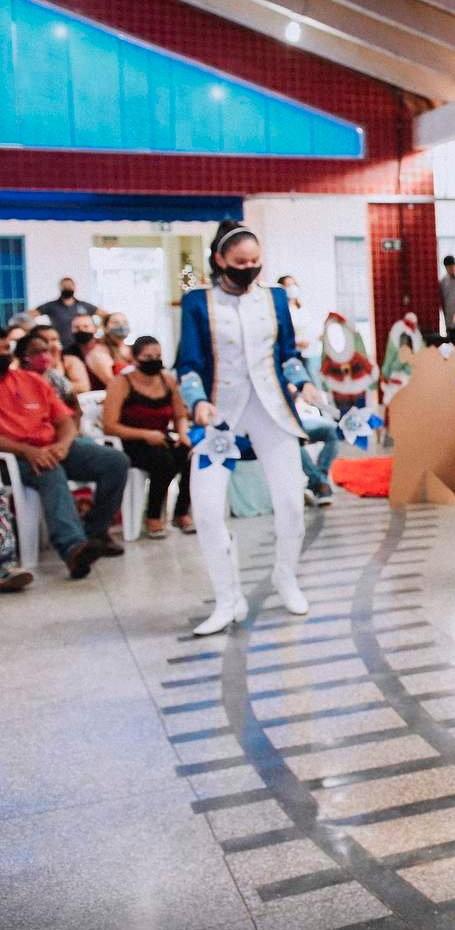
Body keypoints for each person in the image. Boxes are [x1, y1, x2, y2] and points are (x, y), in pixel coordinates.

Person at [176, 220, 317, 637]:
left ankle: (285, 576)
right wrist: (197, 401)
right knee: (205, 507)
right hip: (219, 413)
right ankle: (227, 598)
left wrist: (304, 382)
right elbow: (187, 362)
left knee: (291, 502)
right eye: (240, 262)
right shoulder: (198, 302)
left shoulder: (275, 298)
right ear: (220, 260)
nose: (249, 268)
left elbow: (288, 354)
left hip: (272, 409)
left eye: (255, 261)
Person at [0, 328, 128, 578]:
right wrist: (28, 451)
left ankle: (94, 532)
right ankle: (73, 548)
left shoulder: (31, 380)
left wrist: (63, 444)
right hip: (14, 457)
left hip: (54, 446)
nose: (5, 354)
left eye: (6, 348)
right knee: (50, 469)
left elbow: (65, 421)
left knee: (115, 461)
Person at [102, 336, 193, 537]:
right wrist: (144, 434)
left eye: (157, 356)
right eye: (148, 357)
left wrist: (183, 434)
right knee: (164, 461)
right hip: (130, 441)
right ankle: (152, 516)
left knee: (189, 455)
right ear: (135, 359)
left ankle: (181, 512)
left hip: (160, 437)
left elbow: (180, 415)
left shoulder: (167, 381)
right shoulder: (121, 383)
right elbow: (109, 426)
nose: (154, 361)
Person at [35, 277, 98, 351]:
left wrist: (98, 328)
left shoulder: (85, 305)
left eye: (69, 285)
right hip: (60, 347)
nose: (67, 287)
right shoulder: (51, 306)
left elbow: (106, 316)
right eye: (64, 286)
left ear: (74, 287)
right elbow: (28, 316)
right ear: (60, 287)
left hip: (83, 347)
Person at [34, 323, 89, 400]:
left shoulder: (70, 361)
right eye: (45, 340)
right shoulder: (31, 367)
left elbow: (83, 387)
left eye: (54, 339)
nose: (52, 344)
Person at [67, 313, 111, 392]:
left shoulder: (106, 347)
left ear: (95, 329)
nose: (81, 330)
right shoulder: (68, 353)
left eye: (86, 326)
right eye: (77, 327)